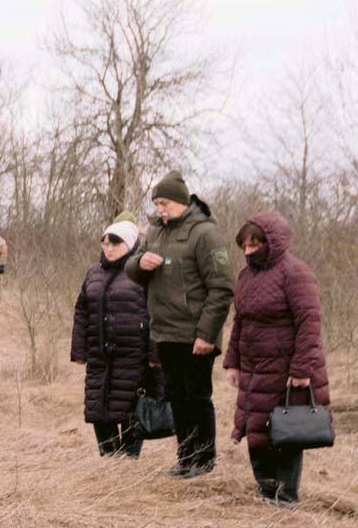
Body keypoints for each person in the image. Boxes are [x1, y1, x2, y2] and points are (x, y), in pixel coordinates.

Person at [125, 172, 235, 479]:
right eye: (156, 203)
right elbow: (132, 267)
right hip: (165, 333)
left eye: (164, 202)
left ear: (181, 202)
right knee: (176, 399)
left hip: (196, 336)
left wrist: (207, 335)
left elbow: (223, 287)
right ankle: (186, 459)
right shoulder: (156, 233)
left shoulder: (204, 233)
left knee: (197, 398)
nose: (160, 208)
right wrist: (139, 263)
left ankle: (203, 461)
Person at [225, 213, 330, 505]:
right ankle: (265, 492)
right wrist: (232, 362)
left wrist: (301, 369)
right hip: (254, 368)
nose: (248, 252)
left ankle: (286, 499)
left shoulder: (296, 273)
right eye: (244, 245)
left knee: (286, 433)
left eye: (255, 244)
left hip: (286, 369)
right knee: (256, 430)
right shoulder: (246, 276)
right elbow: (240, 321)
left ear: (273, 241)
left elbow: (309, 322)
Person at [71, 218, 159, 460]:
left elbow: (156, 312)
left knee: (131, 407)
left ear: (130, 245)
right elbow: (81, 311)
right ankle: (108, 460)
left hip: (133, 355)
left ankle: (129, 461)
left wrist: (155, 354)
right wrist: (79, 350)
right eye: (105, 242)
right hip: (100, 356)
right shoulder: (93, 273)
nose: (108, 248)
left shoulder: (142, 273)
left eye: (115, 242)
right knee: (99, 407)